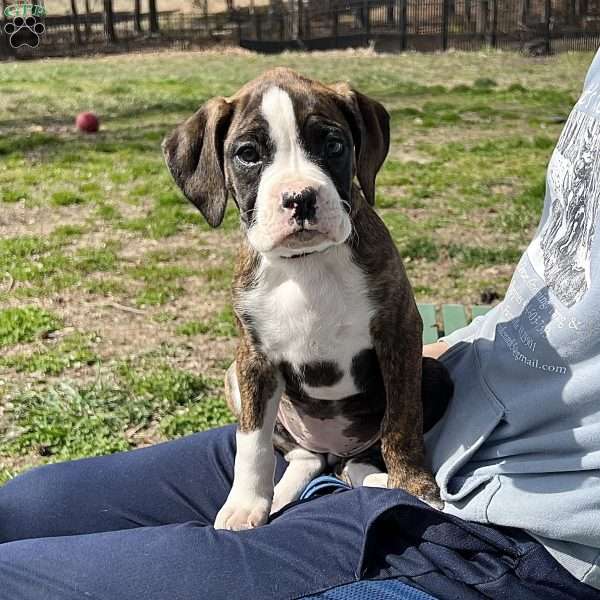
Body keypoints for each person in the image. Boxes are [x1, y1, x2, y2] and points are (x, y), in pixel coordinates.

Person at [3, 53, 600, 600]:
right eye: (252, 155)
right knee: (21, 507)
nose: (298, 186)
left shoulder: (367, 253)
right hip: (304, 435)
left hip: (507, 523)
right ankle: (308, 466)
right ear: (212, 166)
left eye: (327, 148)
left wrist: (401, 456)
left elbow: (397, 331)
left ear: (360, 148)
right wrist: (256, 475)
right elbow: (256, 356)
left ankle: (335, 469)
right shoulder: (254, 272)